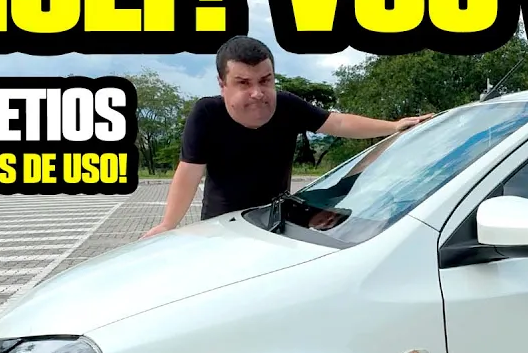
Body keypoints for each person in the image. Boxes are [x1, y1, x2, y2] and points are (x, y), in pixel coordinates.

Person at [141, 36, 433, 238]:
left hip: (279, 222)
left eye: (265, 80)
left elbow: (339, 122)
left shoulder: (287, 106)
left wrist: (394, 126)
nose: (257, 93)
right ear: (222, 83)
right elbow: (189, 172)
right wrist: (168, 224)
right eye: (243, 83)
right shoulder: (207, 114)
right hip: (223, 227)